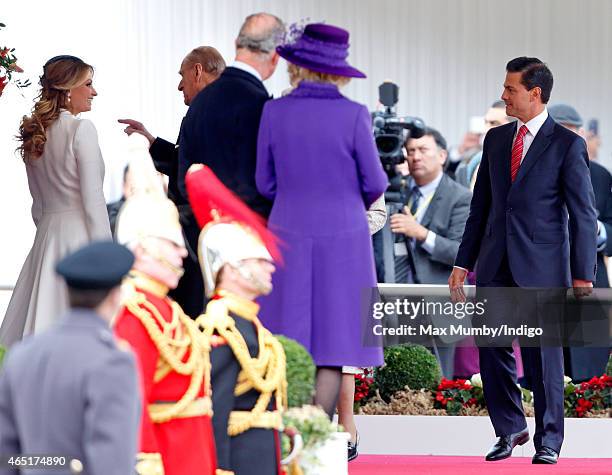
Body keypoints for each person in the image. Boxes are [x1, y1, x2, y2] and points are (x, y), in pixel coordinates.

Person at [449, 57, 597, 465]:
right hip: (495, 264)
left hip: (543, 268)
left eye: (510, 89)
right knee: (492, 347)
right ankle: (510, 428)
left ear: (535, 93)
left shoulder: (568, 145)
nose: (503, 95)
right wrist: (463, 262)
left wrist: (583, 274)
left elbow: (583, 214)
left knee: (542, 355)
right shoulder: (495, 142)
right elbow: (480, 210)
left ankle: (549, 441)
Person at [256, 22, 388, 419]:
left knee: (287, 334)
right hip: (344, 237)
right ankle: (317, 432)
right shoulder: (354, 114)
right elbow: (375, 182)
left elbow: (264, 182)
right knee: (336, 339)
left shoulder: (273, 111)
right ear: (337, 70)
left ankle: (288, 435)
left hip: (287, 230)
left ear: (298, 65)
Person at [113, 156, 217, 475]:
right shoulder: (134, 310)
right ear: (142, 249)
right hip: (166, 458)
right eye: (172, 244)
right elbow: (131, 403)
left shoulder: (164, 308)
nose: (183, 252)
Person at [0, 241, 140, 475]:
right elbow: (112, 464)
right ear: (115, 296)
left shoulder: (22, 355)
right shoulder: (112, 362)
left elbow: (7, 458)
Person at [1, 55, 111, 347]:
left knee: (39, 321)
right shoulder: (81, 129)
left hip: (46, 239)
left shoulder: (35, 134)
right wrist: (108, 255)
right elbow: (93, 200)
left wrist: (50, 231)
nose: (94, 92)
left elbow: (37, 206)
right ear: (67, 89)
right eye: (88, 84)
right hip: (79, 240)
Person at [186, 165, 287, 475]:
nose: (270, 264)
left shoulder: (248, 323)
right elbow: (214, 412)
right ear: (231, 269)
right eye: (258, 259)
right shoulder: (221, 326)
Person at [118, 46, 226, 318]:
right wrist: (152, 142)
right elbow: (186, 159)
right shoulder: (214, 108)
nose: (180, 85)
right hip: (202, 221)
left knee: (190, 302)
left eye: (182, 75)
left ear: (198, 71)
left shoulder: (208, 111)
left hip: (198, 222)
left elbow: (198, 169)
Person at [178, 13, 285, 218]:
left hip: (205, 231)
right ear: (275, 58)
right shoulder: (265, 107)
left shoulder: (198, 104)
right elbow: (270, 183)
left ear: (237, 45)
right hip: (253, 235)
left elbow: (185, 182)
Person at [390, 127, 471, 377]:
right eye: (411, 151)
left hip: (438, 305)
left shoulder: (460, 197)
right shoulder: (396, 193)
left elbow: (462, 253)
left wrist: (422, 234)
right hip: (396, 303)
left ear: (442, 155)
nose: (416, 157)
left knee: (439, 381)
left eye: (423, 150)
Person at [548, 103, 611, 381]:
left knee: (591, 373)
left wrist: (596, 230)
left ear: (582, 134)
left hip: (591, 283)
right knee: (548, 370)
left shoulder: (600, 175)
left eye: (569, 133)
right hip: (545, 280)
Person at [339, 194, 386, 461]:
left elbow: (378, 213)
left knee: (345, 350)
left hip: (348, 259)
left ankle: (347, 427)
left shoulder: (360, 153)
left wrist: (344, 230)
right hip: (302, 252)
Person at [455, 101, 513, 191]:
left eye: (494, 123)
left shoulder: (530, 166)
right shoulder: (468, 167)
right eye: (486, 123)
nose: (486, 129)